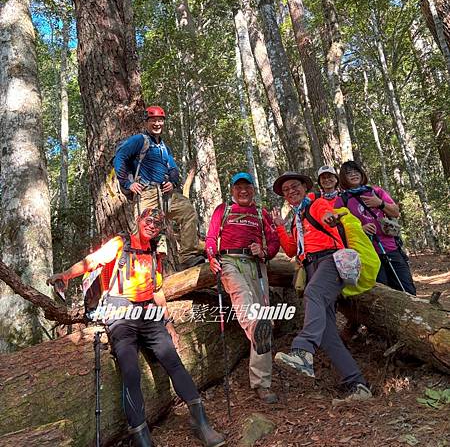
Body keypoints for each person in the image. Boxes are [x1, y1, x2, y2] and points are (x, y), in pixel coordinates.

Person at [48, 209, 225, 447]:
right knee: (130, 370)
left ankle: (200, 421)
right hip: (119, 312)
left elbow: (157, 292)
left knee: (172, 360)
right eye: (148, 220)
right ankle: (140, 435)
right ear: (139, 221)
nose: (152, 226)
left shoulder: (154, 253)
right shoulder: (120, 243)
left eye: (157, 223)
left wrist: (169, 323)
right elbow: (93, 261)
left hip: (148, 313)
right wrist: (67, 275)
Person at [271, 171, 372, 403]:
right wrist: (279, 226)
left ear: (304, 187)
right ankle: (358, 384)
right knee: (327, 333)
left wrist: (330, 217)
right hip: (310, 267)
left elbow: (327, 214)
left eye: (294, 186)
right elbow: (289, 250)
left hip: (331, 260)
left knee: (313, 293)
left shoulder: (316, 204)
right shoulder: (296, 221)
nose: (291, 192)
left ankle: (303, 350)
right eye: (286, 190)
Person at [205, 172, 280, 404]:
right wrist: (211, 256)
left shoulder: (261, 213)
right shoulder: (223, 210)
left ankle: (262, 383)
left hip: (256, 266)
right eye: (239, 187)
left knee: (263, 319)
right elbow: (211, 237)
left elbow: (274, 241)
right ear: (232, 191)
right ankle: (257, 328)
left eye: (247, 187)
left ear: (253, 190)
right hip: (229, 261)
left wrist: (265, 251)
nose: (243, 191)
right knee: (242, 296)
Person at [113, 105, 203, 270]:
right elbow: (120, 157)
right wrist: (127, 183)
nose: (157, 123)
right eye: (153, 120)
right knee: (142, 231)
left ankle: (188, 256)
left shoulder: (163, 147)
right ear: (147, 122)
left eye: (160, 120)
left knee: (188, 211)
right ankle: (134, 270)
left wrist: (173, 182)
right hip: (146, 192)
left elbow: (173, 169)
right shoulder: (140, 140)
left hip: (165, 194)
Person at [335, 160, 416, 295]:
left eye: (356, 171)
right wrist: (360, 228)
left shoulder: (376, 191)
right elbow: (339, 228)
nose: (354, 175)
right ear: (344, 178)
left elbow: (395, 212)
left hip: (391, 248)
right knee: (381, 294)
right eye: (349, 173)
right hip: (367, 255)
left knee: (406, 289)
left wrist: (380, 203)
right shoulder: (342, 200)